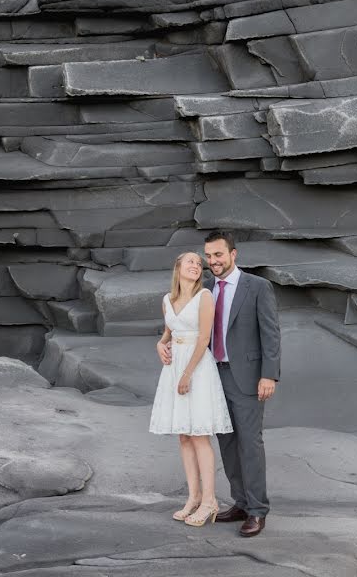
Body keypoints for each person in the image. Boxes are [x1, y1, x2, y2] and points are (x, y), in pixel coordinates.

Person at [159, 231, 281, 538]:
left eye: (218, 255)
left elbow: (271, 333)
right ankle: (240, 502)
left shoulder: (257, 287)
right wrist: (161, 344)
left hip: (248, 376)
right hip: (211, 374)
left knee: (250, 443)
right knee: (226, 441)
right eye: (208, 256)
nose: (212, 261)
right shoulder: (206, 288)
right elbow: (181, 323)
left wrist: (269, 374)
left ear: (233, 254)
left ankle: (256, 510)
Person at [150, 251, 233, 527]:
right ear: (178, 267)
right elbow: (168, 333)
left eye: (200, 263)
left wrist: (187, 374)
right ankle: (193, 497)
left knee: (199, 435)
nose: (196, 266)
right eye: (191, 262)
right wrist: (160, 345)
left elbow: (204, 338)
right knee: (184, 436)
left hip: (196, 368)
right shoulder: (167, 300)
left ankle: (210, 500)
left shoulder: (204, 297)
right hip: (174, 368)